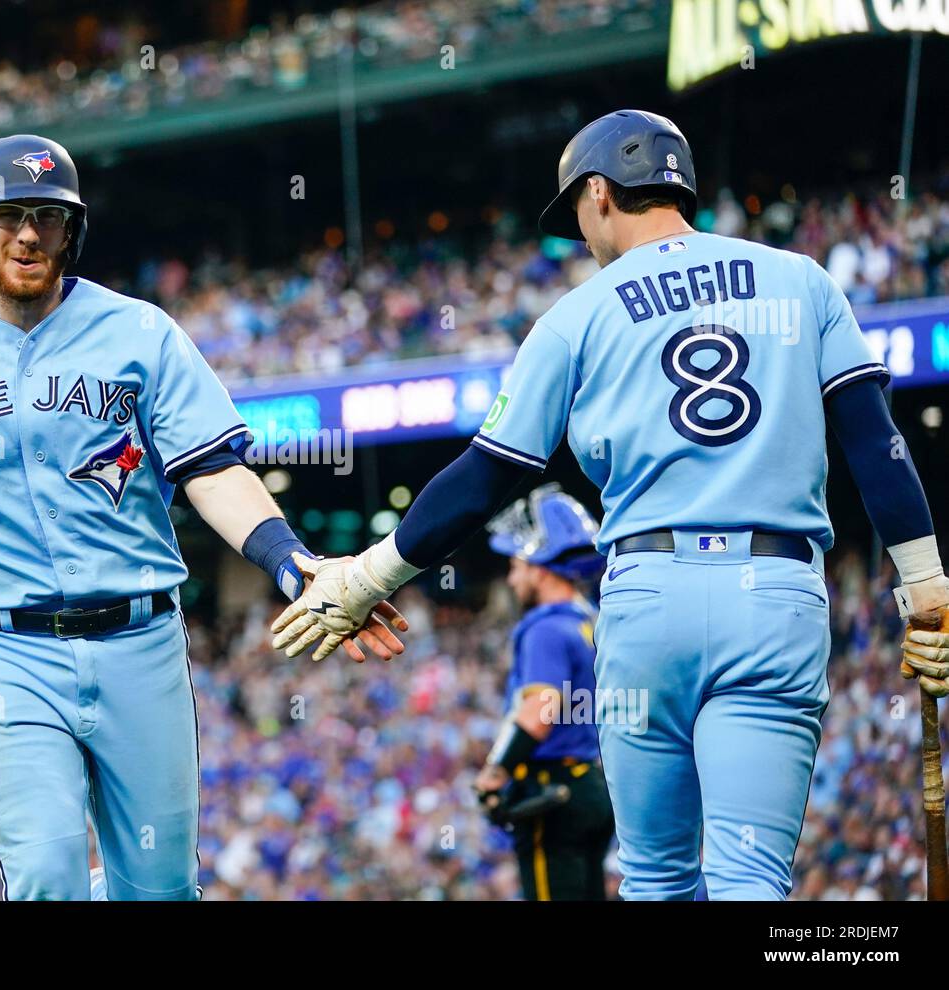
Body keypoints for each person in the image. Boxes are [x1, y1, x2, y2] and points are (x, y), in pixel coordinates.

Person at [272, 109, 948, 899]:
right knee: (751, 882)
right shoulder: (801, 278)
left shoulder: (576, 315)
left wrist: (368, 577)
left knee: (657, 882)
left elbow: (486, 476)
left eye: (577, 218)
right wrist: (926, 585)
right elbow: (878, 445)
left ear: (599, 191)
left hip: (646, 598)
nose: (580, 237)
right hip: (774, 594)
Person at [0, 134, 406, 901]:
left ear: (71, 228)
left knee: (156, 888)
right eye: (9, 214)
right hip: (3, 652)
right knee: (49, 878)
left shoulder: (140, 332)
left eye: (49, 217)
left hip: (140, 645)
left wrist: (294, 563)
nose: (28, 234)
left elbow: (211, 470)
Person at [473, 485, 614, 900]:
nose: (512, 578)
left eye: (517, 565)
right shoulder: (591, 618)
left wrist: (495, 772)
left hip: (551, 793)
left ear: (539, 566)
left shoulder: (545, 627)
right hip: (589, 783)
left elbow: (541, 708)